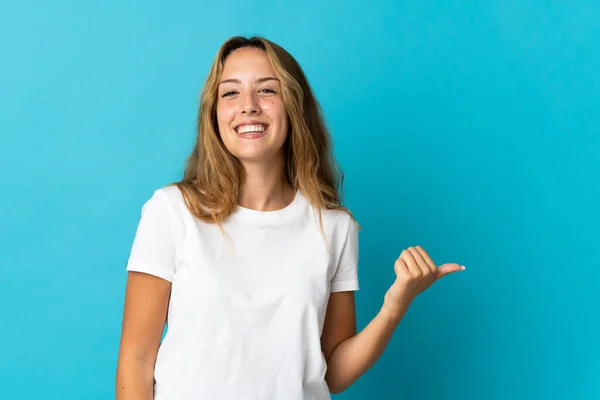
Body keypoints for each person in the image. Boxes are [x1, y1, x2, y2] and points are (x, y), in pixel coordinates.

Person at [115, 35, 465, 400]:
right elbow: (136, 359)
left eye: (267, 90)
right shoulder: (172, 211)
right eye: (230, 93)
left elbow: (332, 373)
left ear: (294, 106)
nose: (248, 106)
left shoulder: (334, 227)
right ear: (213, 113)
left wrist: (395, 307)